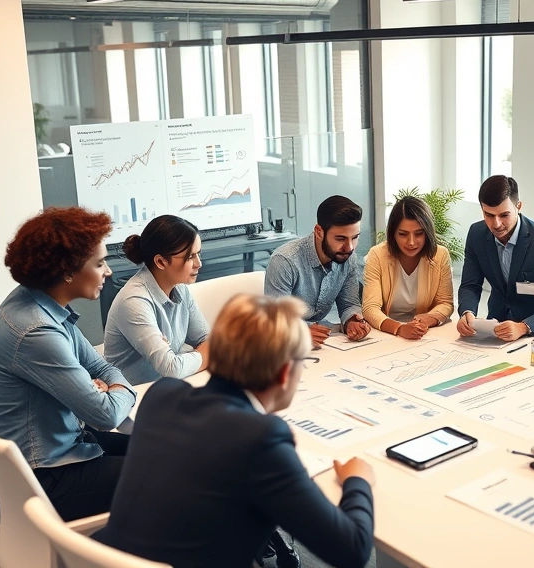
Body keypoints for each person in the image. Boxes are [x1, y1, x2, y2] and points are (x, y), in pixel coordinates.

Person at [93, 294, 376, 568]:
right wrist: (357, 482)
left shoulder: (162, 394)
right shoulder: (261, 438)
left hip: (95, 560)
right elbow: (352, 550)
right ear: (284, 373)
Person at [0, 207, 137, 521]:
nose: (108, 272)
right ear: (67, 271)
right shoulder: (37, 330)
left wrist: (111, 386)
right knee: (173, 474)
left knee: (168, 454)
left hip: (54, 452)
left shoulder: (36, 303)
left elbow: (102, 368)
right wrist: (120, 390)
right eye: (100, 263)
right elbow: (104, 414)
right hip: (36, 482)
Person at [456, 175, 534, 340]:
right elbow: (470, 285)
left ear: (518, 206)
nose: (496, 224)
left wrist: (524, 327)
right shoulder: (476, 234)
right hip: (496, 330)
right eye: (489, 215)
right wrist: (467, 312)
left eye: (504, 215)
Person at [104, 215, 209, 385]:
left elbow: (207, 339)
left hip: (165, 389)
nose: (199, 264)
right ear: (160, 261)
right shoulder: (134, 301)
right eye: (190, 257)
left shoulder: (180, 288)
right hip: (135, 397)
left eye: (198, 254)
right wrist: (206, 354)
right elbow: (172, 369)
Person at [265, 195, 371, 348]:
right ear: (319, 232)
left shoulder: (348, 258)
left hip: (322, 343)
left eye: (354, 238)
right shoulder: (285, 261)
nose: (349, 247)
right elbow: (274, 320)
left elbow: (348, 305)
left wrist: (351, 322)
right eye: (341, 239)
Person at [363, 196, 454, 339]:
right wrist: (399, 328)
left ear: (427, 233)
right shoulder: (377, 255)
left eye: (419, 234)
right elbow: (370, 308)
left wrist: (427, 319)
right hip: (387, 332)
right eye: (403, 234)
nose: (411, 242)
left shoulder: (440, 255)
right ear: (393, 234)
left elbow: (445, 303)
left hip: (425, 333)